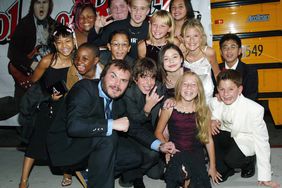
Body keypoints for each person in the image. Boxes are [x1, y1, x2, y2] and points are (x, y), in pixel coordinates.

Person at [47, 60, 176, 188]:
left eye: (124, 80)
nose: (117, 84)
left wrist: (160, 145)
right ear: (103, 75)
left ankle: (91, 172)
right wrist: (112, 124)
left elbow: (133, 127)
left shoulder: (118, 99)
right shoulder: (84, 88)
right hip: (67, 146)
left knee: (135, 156)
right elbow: (74, 126)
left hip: (93, 142)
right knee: (109, 137)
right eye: (113, 76)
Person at [19, 25, 75, 188]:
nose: (65, 45)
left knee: (67, 142)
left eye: (68, 41)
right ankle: (23, 181)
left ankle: (67, 173)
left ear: (73, 41)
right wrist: (48, 95)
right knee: (35, 143)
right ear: (54, 44)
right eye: (59, 42)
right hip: (49, 106)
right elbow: (34, 83)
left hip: (69, 108)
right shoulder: (47, 60)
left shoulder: (77, 60)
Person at [209, 70, 280, 188]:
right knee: (212, 131)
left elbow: (262, 142)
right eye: (222, 89)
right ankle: (226, 169)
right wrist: (211, 120)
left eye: (231, 89)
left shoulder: (254, 109)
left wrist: (265, 176)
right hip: (227, 136)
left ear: (240, 89)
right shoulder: (215, 102)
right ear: (217, 89)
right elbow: (207, 111)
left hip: (245, 140)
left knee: (232, 159)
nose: (226, 94)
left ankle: (249, 162)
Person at [155, 71, 221, 187]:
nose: (189, 87)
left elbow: (208, 140)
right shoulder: (170, 107)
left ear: (199, 89)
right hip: (176, 152)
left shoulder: (203, 110)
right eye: (185, 84)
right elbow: (158, 132)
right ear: (179, 87)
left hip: (196, 154)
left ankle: (188, 181)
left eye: (193, 84)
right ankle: (183, 177)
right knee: (180, 172)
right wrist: (166, 146)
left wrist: (212, 166)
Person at [0, 0, 58, 120]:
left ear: (50, 6)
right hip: (26, 72)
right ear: (32, 6)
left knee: (56, 99)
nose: (41, 6)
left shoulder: (55, 25)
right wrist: (30, 65)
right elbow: (13, 53)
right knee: (20, 105)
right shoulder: (25, 24)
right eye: (38, 2)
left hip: (48, 74)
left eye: (44, 2)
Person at [120, 58, 166, 187]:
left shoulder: (158, 87)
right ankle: (133, 176)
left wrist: (171, 100)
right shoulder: (129, 93)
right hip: (131, 135)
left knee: (156, 174)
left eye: (152, 77)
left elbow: (166, 96)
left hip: (151, 131)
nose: (148, 83)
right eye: (144, 77)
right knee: (152, 153)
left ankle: (135, 173)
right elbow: (134, 124)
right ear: (135, 79)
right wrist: (147, 109)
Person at [182, 18, 220, 103]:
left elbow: (217, 73)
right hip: (186, 96)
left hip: (206, 97)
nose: (192, 40)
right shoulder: (180, 54)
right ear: (183, 38)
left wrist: (221, 92)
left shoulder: (209, 53)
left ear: (201, 37)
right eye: (188, 36)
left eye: (195, 36)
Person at [219, 33, 258, 101]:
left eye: (233, 47)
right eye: (225, 48)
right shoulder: (215, 70)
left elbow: (251, 98)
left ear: (239, 51)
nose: (229, 51)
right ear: (221, 52)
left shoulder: (250, 72)